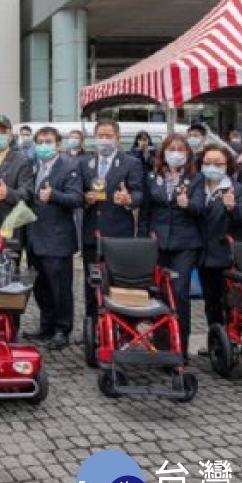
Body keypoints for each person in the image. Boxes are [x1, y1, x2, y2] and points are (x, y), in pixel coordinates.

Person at [139, 133, 203, 357]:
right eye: (171, 149)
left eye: (180, 149)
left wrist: (188, 204)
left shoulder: (196, 178)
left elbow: (200, 208)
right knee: (158, 293)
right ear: (163, 153)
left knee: (179, 292)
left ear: (187, 153)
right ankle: (161, 344)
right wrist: (144, 239)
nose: (175, 153)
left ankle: (180, 348)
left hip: (184, 243)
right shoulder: (153, 177)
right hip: (157, 241)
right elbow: (145, 212)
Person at [79, 119, 144, 327]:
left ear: (117, 138)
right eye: (100, 136)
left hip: (118, 234)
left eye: (108, 136)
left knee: (117, 282)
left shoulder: (131, 163)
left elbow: (140, 193)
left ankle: (120, 325)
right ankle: (92, 326)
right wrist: (85, 199)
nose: (104, 140)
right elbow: (77, 192)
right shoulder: (85, 163)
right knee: (91, 282)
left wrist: (129, 200)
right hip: (91, 232)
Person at [24, 127, 84, 350]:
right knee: (41, 287)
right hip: (35, 238)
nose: (43, 146)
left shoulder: (69, 167)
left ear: (58, 144)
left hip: (57, 239)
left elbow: (77, 198)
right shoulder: (34, 166)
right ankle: (46, 325)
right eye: (39, 142)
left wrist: (54, 196)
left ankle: (62, 329)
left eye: (48, 142)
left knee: (60, 288)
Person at [192, 144, 242, 337]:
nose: (212, 167)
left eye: (218, 163)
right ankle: (215, 339)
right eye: (207, 163)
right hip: (203, 254)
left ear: (227, 165)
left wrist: (232, 207)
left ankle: (232, 338)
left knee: (229, 301)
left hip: (225, 255)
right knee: (210, 300)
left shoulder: (237, 189)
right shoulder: (196, 186)